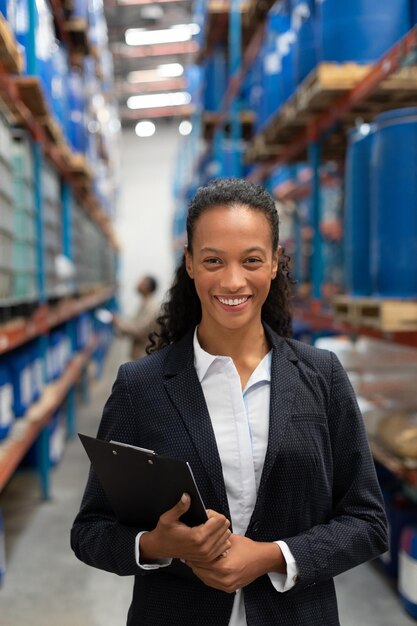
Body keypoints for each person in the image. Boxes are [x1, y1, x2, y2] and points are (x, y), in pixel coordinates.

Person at [71, 178, 388, 626]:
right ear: (190, 264)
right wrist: (158, 545)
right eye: (213, 260)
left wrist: (273, 556)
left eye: (252, 260)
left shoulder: (323, 377)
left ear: (275, 262)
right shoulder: (140, 387)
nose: (233, 280)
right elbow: (90, 532)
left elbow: (367, 522)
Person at [113, 275, 160, 360]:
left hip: (145, 357)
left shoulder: (151, 307)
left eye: (142, 282)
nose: (138, 283)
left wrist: (118, 323)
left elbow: (139, 330)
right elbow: (135, 324)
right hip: (141, 357)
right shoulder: (145, 304)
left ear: (148, 287)